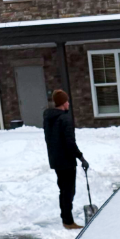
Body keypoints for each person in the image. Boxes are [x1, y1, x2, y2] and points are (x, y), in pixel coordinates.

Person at [43, 89, 85, 230]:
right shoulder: (64, 119)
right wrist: (80, 157)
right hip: (66, 161)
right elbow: (70, 142)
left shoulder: (49, 118)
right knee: (68, 191)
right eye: (66, 101)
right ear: (62, 103)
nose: (68, 103)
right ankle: (68, 221)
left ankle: (66, 218)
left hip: (56, 160)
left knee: (63, 190)